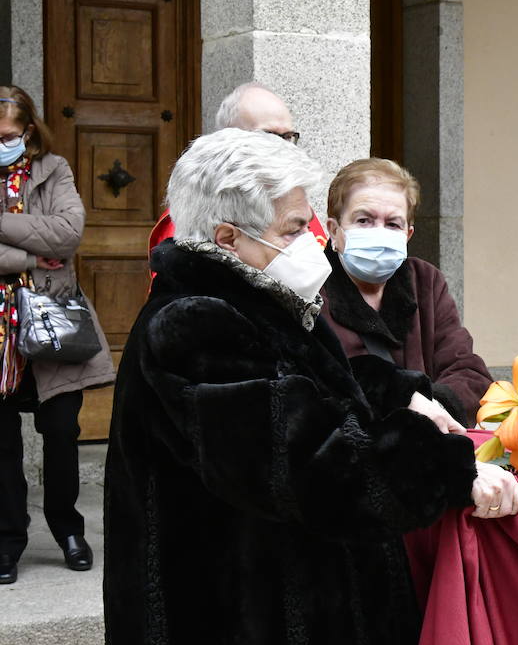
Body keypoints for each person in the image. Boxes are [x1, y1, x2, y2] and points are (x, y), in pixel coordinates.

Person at [103, 128, 518, 645]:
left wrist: (402, 395)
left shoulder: (253, 301)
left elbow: (318, 385)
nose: (313, 244)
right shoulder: (192, 325)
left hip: (287, 633)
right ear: (228, 239)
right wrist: (445, 465)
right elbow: (312, 466)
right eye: (296, 227)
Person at [0, 85, 115, 585]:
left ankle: (68, 529)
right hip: (1, 335)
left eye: (7, 135)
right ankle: (7, 538)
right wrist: (27, 254)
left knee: (63, 432)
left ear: (27, 130)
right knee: (1, 441)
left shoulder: (55, 168)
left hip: (54, 321)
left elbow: (69, 234)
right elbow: (47, 244)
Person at [320, 158, 491, 424]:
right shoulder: (310, 288)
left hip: (429, 449)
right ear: (334, 230)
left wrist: (432, 411)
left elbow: (470, 373)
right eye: (364, 220)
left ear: (408, 235)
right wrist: (407, 405)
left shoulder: (424, 280)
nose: (379, 232)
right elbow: (322, 385)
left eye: (393, 224)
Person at [146, 82, 325, 256]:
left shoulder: (296, 208)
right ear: (230, 139)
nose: (283, 147)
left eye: (288, 136)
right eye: (267, 136)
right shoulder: (194, 215)